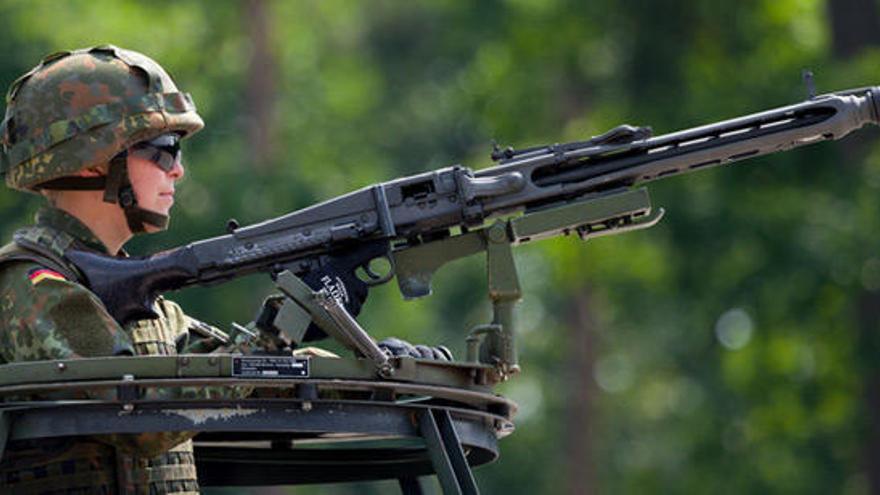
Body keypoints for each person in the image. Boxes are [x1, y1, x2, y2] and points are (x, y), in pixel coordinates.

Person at [0, 45, 450, 494]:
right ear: (94, 160)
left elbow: (255, 377)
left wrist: (378, 374)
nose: (177, 170)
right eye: (162, 150)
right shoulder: (33, 287)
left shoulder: (140, 304)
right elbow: (140, 420)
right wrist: (280, 325)